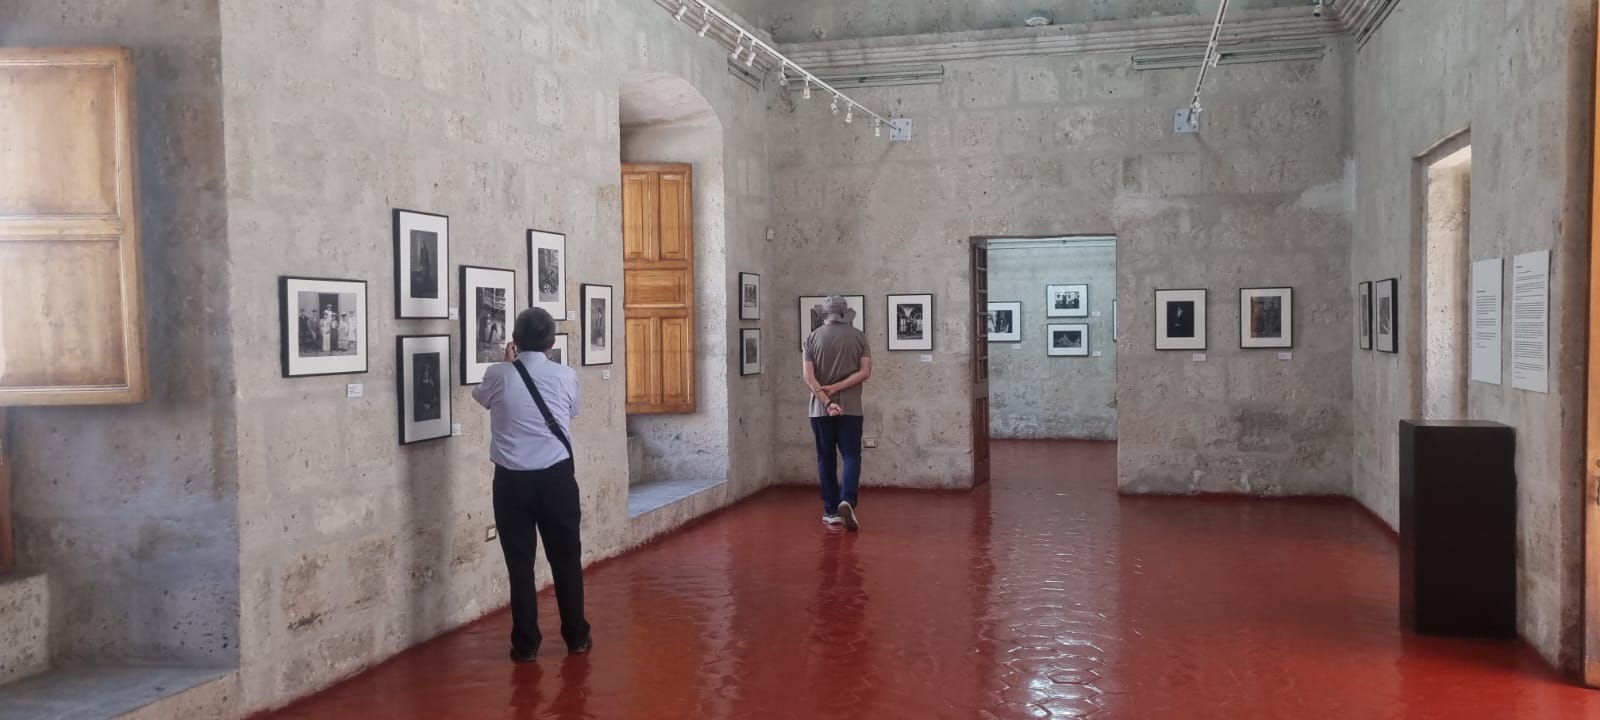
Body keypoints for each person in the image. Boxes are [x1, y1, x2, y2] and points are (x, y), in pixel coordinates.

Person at [472, 308, 591, 662]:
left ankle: (525, 643)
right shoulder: (565, 375)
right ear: (552, 342)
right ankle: (576, 636)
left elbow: (481, 398)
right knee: (566, 559)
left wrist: (509, 364)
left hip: (511, 483)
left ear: (515, 340)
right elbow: (571, 412)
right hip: (556, 478)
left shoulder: (498, 374)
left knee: (520, 565)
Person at [803, 296, 872, 531]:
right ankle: (847, 500)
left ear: (824, 314)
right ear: (844, 314)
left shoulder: (812, 338)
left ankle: (831, 511)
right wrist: (838, 388)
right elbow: (865, 372)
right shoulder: (859, 336)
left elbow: (808, 377)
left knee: (826, 458)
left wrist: (826, 400)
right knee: (851, 455)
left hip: (820, 409)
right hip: (851, 407)